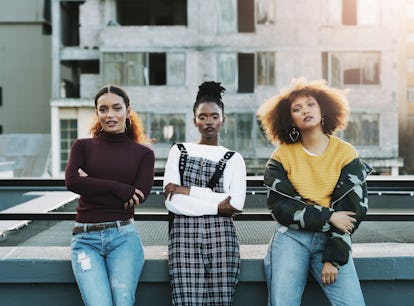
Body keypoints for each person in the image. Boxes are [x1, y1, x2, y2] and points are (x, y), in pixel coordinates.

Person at [256, 78, 373, 306]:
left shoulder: (345, 152)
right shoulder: (281, 157)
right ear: (290, 118)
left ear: (323, 109)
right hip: (291, 238)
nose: (305, 111)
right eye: (296, 109)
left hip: (333, 239)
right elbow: (282, 208)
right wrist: (329, 216)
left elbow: (351, 213)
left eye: (310, 104)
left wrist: (334, 259)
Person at [65, 85, 155, 306]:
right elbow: (72, 182)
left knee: (123, 302)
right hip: (85, 241)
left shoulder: (143, 154)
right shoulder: (82, 146)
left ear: (127, 110)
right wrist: (118, 188)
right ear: (97, 113)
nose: (110, 115)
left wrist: (90, 184)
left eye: (116, 108)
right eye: (103, 109)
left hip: (123, 238)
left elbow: (138, 196)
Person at [163, 81, 247, 305]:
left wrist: (188, 190)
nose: (208, 122)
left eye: (214, 116)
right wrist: (217, 204)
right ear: (194, 121)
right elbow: (173, 202)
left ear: (223, 119)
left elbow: (235, 204)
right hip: (183, 236)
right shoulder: (179, 151)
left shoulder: (234, 158)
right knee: (185, 299)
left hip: (222, 236)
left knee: (222, 299)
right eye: (202, 117)